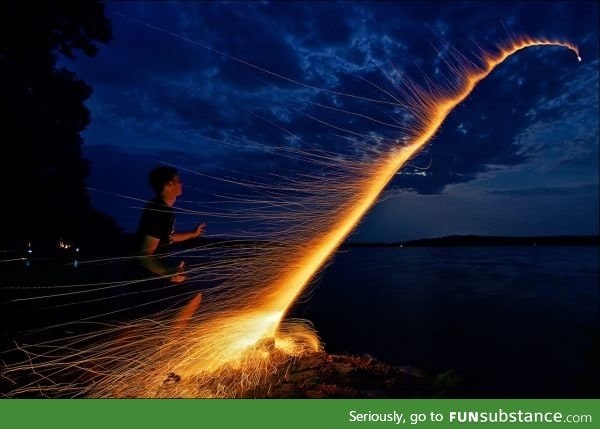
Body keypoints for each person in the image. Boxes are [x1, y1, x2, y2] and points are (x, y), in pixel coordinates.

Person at [135, 166, 205, 283]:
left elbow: (168, 237)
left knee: (193, 295)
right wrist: (168, 273)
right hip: (145, 275)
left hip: (154, 271)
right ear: (169, 184)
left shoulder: (163, 209)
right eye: (178, 180)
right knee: (192, 298)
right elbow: (144, 255)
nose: (181, 184)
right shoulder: (159, 211)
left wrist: (193, 234)